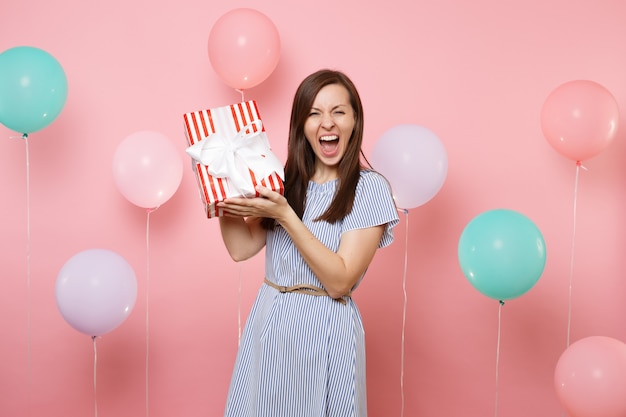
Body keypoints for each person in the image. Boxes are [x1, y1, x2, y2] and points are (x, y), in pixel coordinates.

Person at [217, 69, 399, 417]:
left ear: (355, 121)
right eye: (314, 113)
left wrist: (287, 215)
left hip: (326, 332)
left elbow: (340, 281)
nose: (326, 123)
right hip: (269, 323)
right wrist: (220, 189)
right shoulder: (284, 180)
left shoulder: (369, 189)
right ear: (301, 125)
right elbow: (241, 249)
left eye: (338, 112)